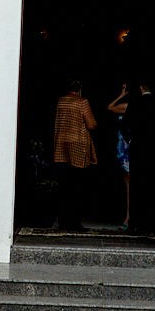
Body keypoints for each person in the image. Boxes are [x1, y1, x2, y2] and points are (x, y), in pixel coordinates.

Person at [50, 81, 97, 230]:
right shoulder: (82, 102)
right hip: (77, 147)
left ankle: (63, 220)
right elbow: (91, 124)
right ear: (80, 89)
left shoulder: (61, 101)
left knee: (64, 185)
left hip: (61, 146)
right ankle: (74, 222)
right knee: (77, 186)